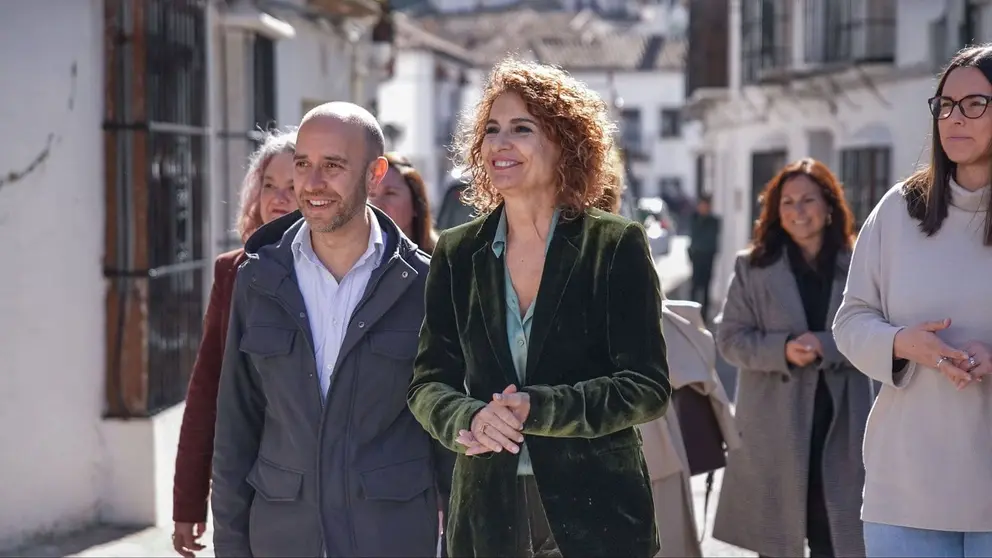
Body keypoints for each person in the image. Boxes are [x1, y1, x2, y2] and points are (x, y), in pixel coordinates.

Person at [407, 57, 672, 558]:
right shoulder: (458, 251)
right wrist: (468, 417)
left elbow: (647, 388)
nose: (499, 144)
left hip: (598, 514)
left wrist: (539, 408)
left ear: (565, 144)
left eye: (521, 129)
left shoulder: (614, 244)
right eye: (491, 129)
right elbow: (426, 384)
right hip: (489, 515)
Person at [210, 102, 451, 557]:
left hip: (391, 539)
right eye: (303, 164)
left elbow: (449, 446)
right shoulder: (257, 279)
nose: (313, 183)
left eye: (333, 166)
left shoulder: (425, 285)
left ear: (375, 173)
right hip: (283, 538)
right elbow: (235, 431)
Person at [833, 45, 992, 558]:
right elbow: (852, 320)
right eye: (945, 104)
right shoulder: (900, 209)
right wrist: (904, 343)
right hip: (905, 495)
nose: (953, 118)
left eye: (974, 104)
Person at [711, 158, 872, 558]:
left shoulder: (860, 264)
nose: (798, 211)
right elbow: (729, 338)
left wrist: (827, 346)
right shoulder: (752, 266)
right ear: (775, 210)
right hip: (774, 424)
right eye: (787, 202)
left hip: (842, 421)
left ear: (830, 205)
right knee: (776, 541)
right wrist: (781, 350)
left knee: (837, 537)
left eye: (808, 200)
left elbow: (881, 333)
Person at [171, 128, 297, 558]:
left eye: (292, 188)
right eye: (269, 185)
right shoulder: (233, 271)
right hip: (249, 479)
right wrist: (188, 502)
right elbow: (207, 390)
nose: (278, 198)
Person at [370, 152, 439, 254]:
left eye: (390, 193)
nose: (377, 205)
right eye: (372, 195)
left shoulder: (442, 262)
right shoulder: (355, 263)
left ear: (416, 203)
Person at [687, 195, 720, 320]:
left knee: (706, 287)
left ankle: (704, 315)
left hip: (708, 258)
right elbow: (694, 237)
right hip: (696, 258)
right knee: (695, 286)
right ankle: (690, 313)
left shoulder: (714, 221)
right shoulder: (694, 219)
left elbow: (711, 240)